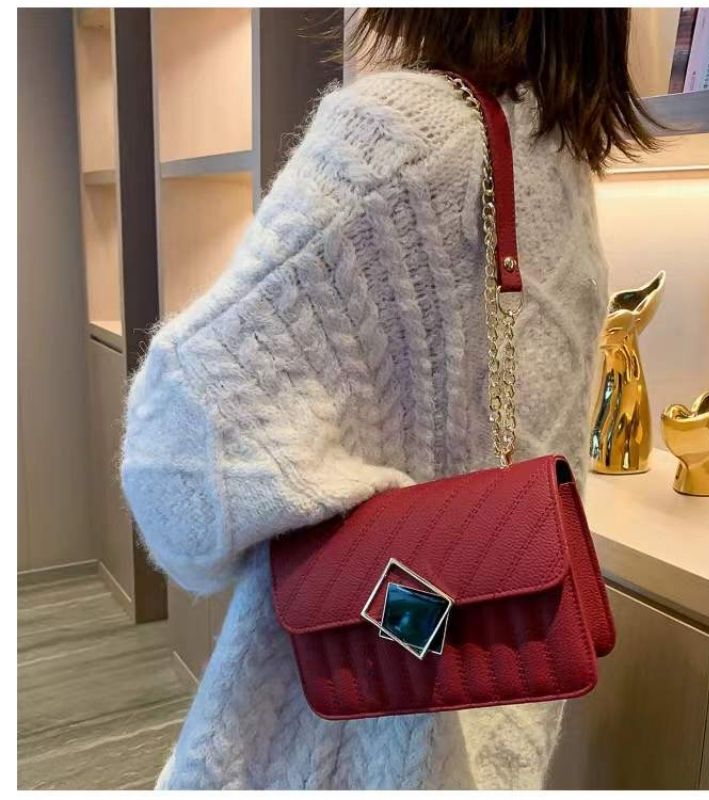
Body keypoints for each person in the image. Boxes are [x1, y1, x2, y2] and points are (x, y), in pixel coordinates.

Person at [121, 8, 656, 790]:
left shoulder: (397, 139)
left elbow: (175, 451)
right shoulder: (559, 158)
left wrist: (319, 488)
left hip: (339, 734)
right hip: (498, 706)